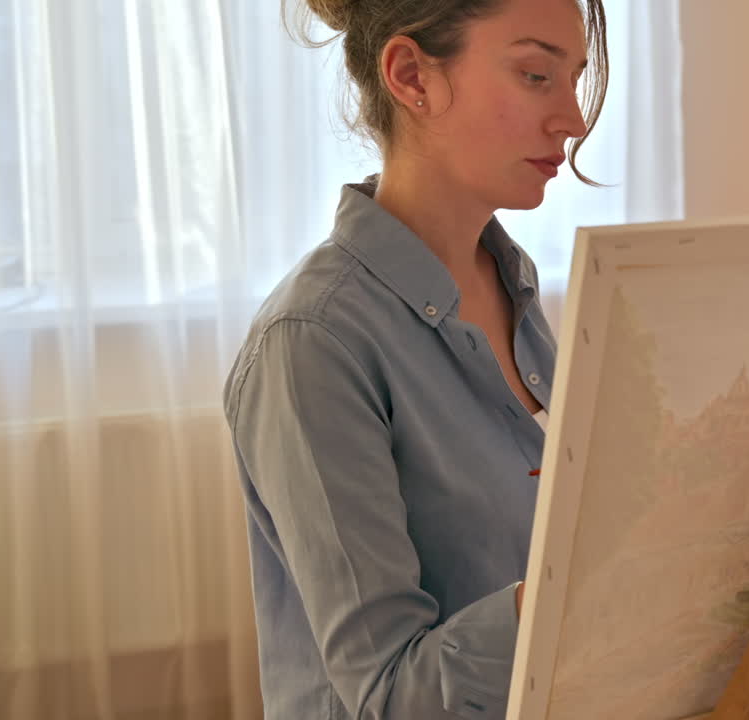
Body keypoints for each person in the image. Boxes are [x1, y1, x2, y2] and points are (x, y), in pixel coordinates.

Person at [222, 0, 609, 717]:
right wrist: (588, 582)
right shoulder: (314, 344)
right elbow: (392, 697)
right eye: (535, 75)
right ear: (411, 76)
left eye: (576, 78)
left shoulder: (513, 285)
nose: (574, 120)